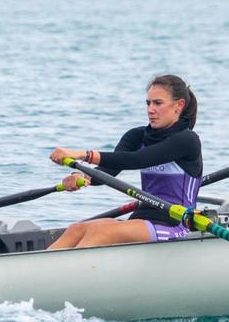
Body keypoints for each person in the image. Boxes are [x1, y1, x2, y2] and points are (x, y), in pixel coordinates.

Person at [47, 75, 201, 249]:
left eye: (158, 103)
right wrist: (80, 175)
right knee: (76, 229)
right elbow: (107, 171)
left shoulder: (187, 140)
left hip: (176, 224)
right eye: (148, 103)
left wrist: (81, 154)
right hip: (142, 218)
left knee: (102, 233)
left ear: (178, 105)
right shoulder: (136, 136)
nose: (150, 109)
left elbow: (137, 160)